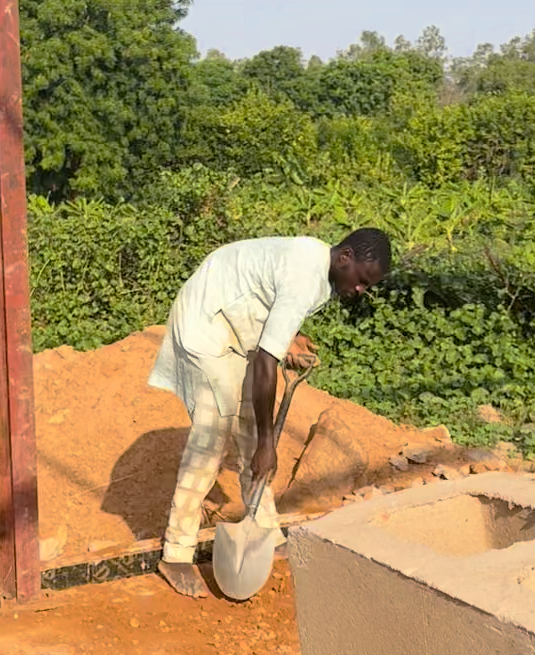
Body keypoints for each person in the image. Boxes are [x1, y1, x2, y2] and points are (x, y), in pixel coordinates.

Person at [148, 228, 392, 598]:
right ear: (345, 257)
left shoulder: (321, 265)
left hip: (232, 322)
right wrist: (268, 443)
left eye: (367, 286)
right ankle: (176, 552)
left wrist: (288, 340)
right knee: (215, 432)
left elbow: (266, 299)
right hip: (206, 324)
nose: (360, 290)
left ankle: (263, 528)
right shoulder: (304, 278)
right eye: (360, 281)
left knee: (248, 423)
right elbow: (265, 365)